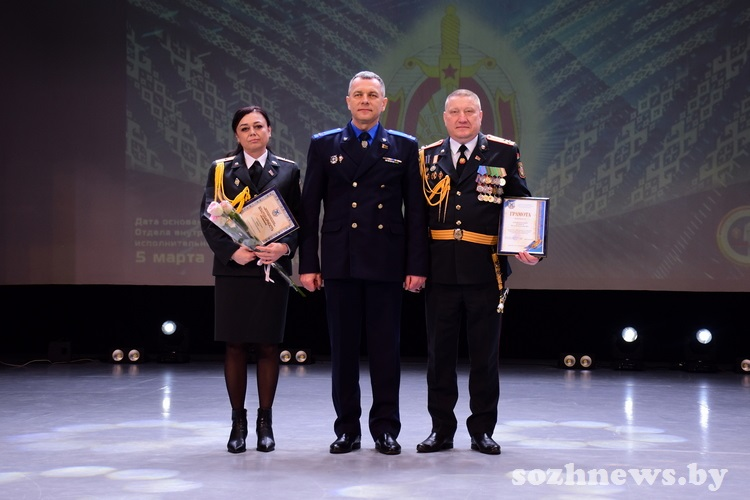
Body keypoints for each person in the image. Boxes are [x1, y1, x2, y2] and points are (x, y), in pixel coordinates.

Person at [298, 71, 428, 455]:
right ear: (348, 101)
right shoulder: (324, 145)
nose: (365, 100)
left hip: (387, 260)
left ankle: (386, 428)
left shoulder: (405, 146)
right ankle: (347, 429)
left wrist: (416, 265)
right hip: (341, 260)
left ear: (384, 103)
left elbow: (416, 212)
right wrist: (308, 263)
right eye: (358, 94)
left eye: (373, 95)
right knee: (342, 351)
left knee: (386, 350)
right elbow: (309, 209)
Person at [417, 89, 540, 455]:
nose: (462, 118)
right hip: (439, 270)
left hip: (486, 269)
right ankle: (441, 430)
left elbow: (521, 202)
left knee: (484, 357)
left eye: (469, 111)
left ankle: (482, 430)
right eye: (455, 112)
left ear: (481, 115)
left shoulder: (504, 152)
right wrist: (414, 266)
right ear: (444, 117)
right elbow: (418, 217)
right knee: (439, 357)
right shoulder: (427, 156)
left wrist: (530, 246)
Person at [200, 106, 301, 453]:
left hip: (271, 270)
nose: (253, 132)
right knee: (235, 345)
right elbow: (208, 218)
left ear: (270, 130)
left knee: (269, 346)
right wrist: (232, 252)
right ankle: (238, 423)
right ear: (237, 134)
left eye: (259, 126)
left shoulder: (288, 170)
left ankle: (265, 423)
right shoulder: (220, 169)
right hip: (234, 270)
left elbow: (297, 220)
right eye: (245, 128)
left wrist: (284, 248)